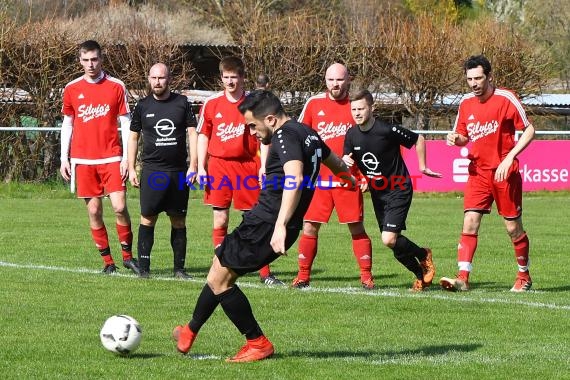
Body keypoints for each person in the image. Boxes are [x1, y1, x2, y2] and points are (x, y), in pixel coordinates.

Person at [172, 90, 356, 362]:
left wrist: (280, 225)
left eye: (252, 125)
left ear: (270, 119)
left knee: (220, 280)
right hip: (269, 221)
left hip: (267, 223)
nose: (251, 132)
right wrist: (349, 179)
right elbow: (334, 161)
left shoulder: (285, 136)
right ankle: (188, 333)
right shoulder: (308, 133)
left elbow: (294, 178)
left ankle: (257, 342)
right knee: (218, 270)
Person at [440, 54, 535, 292]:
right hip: (478, 173)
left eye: (478, 78)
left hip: (504, 173)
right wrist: (455, 139)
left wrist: (510, 157)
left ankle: (524, 276)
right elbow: (464, 137)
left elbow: (529, 129)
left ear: (489, 76)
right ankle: (462, 278)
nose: (474, 83)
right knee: (470, 222)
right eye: (470, 79)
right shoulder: (465, 103)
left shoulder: (506, 98)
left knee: (513, 228)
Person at [196, 56, 283, 286]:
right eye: (226, 77)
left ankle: (265, 273)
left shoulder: (253, 104)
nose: (230, 81)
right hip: (219, 166)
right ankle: (220, 264)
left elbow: (265, 138)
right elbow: (203, 135)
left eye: (234, 77)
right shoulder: (212, 103)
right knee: (220, 218)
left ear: (242, 78)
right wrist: (199, 166)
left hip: (246, 166)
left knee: (255, 219)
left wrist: (264, 165)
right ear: (221, 77)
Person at [343, 89, 441, 291]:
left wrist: (422, 167)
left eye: (361, 108)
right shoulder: (351, 135)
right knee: (392, 243)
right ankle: (421, 275)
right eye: (353, 109)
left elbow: (418, 139)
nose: (357, 113)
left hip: (398, 188)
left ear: (372, 108)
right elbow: (349, 163)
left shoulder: (386, 130)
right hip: (378, 194)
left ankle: (423, 255)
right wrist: (350, 168)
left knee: (388, 238)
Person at [291, 63, 374, 289]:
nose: (334, 84)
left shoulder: (356, 106)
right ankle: (303, 276)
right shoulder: (314, 104)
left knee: (356, 228)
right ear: (325, 80)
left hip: (348, 179)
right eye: (330, 80)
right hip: (318, 180)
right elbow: (299, 136)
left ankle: (366, 277)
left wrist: (365, 175)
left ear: (348, 80)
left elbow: (367, 143)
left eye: (339, 80)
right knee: (309, 227)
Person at [59, 40, 139, 275]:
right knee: (94, 211)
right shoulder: (71, 88)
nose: (90, 64)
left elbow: (126, 122)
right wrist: (64, 158)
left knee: (120, 206)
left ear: (101, 59)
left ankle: (127, 257)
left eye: (94, 59)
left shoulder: (116, 86)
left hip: (112, 157)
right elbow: (67, 124)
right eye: (85, 60)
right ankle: (108, 262)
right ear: (80, 61)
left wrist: (126, 158)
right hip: (83, 160)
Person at [127, 63, 197, 279]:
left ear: (169, 79)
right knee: (148, 218)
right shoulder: (142, 106)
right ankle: (145, 270)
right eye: (154, 78)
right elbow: (133, 137)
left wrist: (193, 164)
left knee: (178, 220)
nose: (158, 82)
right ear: (149, 79)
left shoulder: (182, 103)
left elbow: (193, 133)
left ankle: (179, 269)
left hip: (177, 172)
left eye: (162, 78)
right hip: (152, 172)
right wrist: (131, 167)